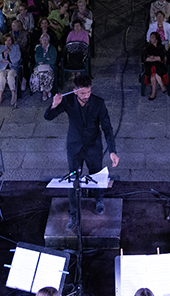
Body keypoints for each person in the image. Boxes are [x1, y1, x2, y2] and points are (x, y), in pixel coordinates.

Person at [44, 75, 120, 231]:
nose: (86, 96)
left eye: (89, 92)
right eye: (83, 93)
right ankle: (73, 214)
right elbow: (48, 117)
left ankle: (99, 199)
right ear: (75, 91)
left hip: (93, 146)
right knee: (73, 180)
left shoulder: (99, 103)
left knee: (96, 175)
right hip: (74, 147)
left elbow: (107, 128)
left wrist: (112, 151)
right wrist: (54, 105)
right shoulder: (68, 101)